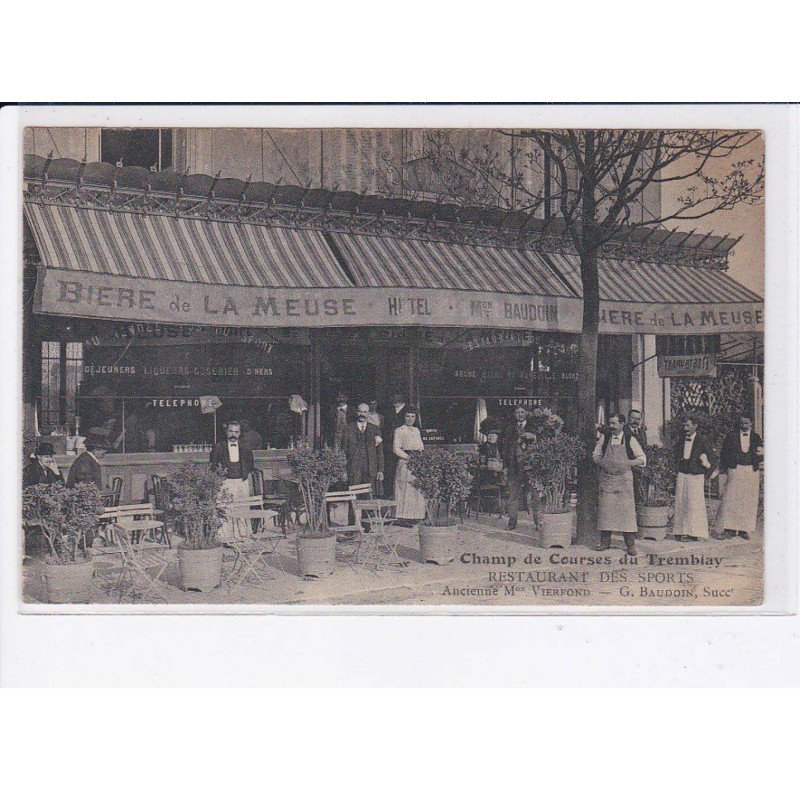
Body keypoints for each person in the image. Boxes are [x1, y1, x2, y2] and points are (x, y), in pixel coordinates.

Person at [593, 412, 647, 556]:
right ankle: (605, 542)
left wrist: (628, 463)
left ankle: (630, 545)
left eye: (614, 423)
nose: (611, 426)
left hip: (624, 480)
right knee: (606, 511)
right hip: (607, 479)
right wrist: (601, 462)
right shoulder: (605, 438)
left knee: (626, 513)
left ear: (622, 424)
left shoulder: (630, 439)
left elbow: (642, 458)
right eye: (610, 423)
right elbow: (596, 455)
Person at [712, 414, 763, 540]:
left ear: (751, 423)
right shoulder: (731, 436)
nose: (743, 425)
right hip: (735, 469)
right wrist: (725, 467)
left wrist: (760, 455)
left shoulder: (756, 437)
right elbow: (724, 453)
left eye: (746, 423)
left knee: (747, 499)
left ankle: (744, 529)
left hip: (751, 470)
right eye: (741, 423)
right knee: (731, 498)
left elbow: (760, 453)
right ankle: (728, 529)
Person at [210, 421, 255, 539]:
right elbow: (213, 465)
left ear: (240, 433)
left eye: (236, 432)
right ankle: (226, 537)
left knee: (242, 507)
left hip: (241, 481)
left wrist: (244, 474)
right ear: (226, 432)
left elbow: (250, 464)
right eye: (230, 431)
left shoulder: (245, 447)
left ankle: (243, 534)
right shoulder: (219, 447)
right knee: (226, 508)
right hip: (226, 482)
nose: (233, 434)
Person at [672, 414, 712, 542]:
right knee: (680, 502)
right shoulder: (681, 439)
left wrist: (706, 472)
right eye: (684, 425)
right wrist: (677, 467)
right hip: (682, 474)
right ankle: (679, 532)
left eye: (688, 425)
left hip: (696, 476)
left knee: (694, 504)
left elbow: (711, 459)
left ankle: (694, 533)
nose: (685, 428)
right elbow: (675, 455)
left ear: (695, 426)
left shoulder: (703, 440)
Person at [502, 405, 537, 531]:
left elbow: (541, 444)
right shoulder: (509, 429)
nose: (520, 414)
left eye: (522, 412)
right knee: (513, 495)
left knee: (534, 494)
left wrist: (534, 437)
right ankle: (512, 523)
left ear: (526, 413)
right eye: (517, 412)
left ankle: (538, 522)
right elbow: (505, 449)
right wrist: (505, 466)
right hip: (513, 467)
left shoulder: (534, 428)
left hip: (530, 467)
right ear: (514, 414)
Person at [339, 403, 385, 489]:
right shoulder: (348, 429)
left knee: (370, 495)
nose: (362, 414)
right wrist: (343, 470)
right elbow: (343, 452)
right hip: (353, 470)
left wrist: (380, 470)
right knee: (354, 494)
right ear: (356, 412)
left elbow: (379, 452)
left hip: (370, 470)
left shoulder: (375, 429)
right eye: (360, 411)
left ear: (368, 413)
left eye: (364, 412)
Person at [393, 406, 426, 522]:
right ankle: (403, 517)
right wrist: (409, 458)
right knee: (404, 489)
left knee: (415, 489)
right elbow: (396, 449)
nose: (410, 419)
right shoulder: (399, 430)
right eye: (408, 416)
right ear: (404, 417)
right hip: (405, 462)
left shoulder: (416, 431)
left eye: (412, 416)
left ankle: (416, 516)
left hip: (417, 463)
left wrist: (420, 457)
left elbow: (421, 446)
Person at [385, 393, 410, 495]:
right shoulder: (390, 411)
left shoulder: (408, 411)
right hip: (390, 444)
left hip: (403, 445)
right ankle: (390, 492)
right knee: (390, 469)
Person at [625, 408, 648, 506]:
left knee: (639, 490)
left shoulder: (641, 431)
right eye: (633, 418)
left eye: (638, 419)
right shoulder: (623, 431)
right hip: (628, 466)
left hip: (639, 466)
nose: (636, 421)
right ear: (628, 418)